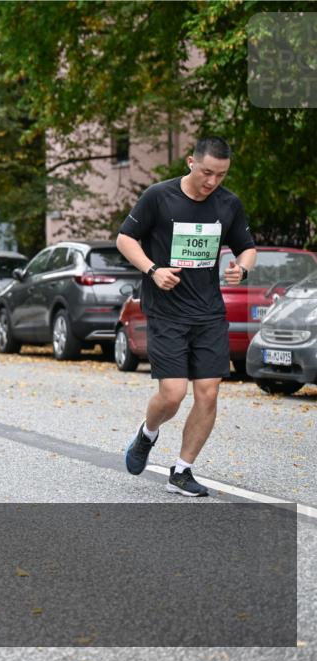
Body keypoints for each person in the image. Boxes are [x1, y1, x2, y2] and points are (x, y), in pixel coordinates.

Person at [117, 137, 256, 497]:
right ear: (191, 162)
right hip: (166, 311)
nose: (212, 181)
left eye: (221, 175)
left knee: (208, 394)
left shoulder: (228, 204)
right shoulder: (159, 197)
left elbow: (247, 248)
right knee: (173, 393)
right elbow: (125, 239)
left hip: (209, 312)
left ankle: (182, 470)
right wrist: (152, 271)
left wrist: (241, 268)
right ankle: (146, 435)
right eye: (207, 172)